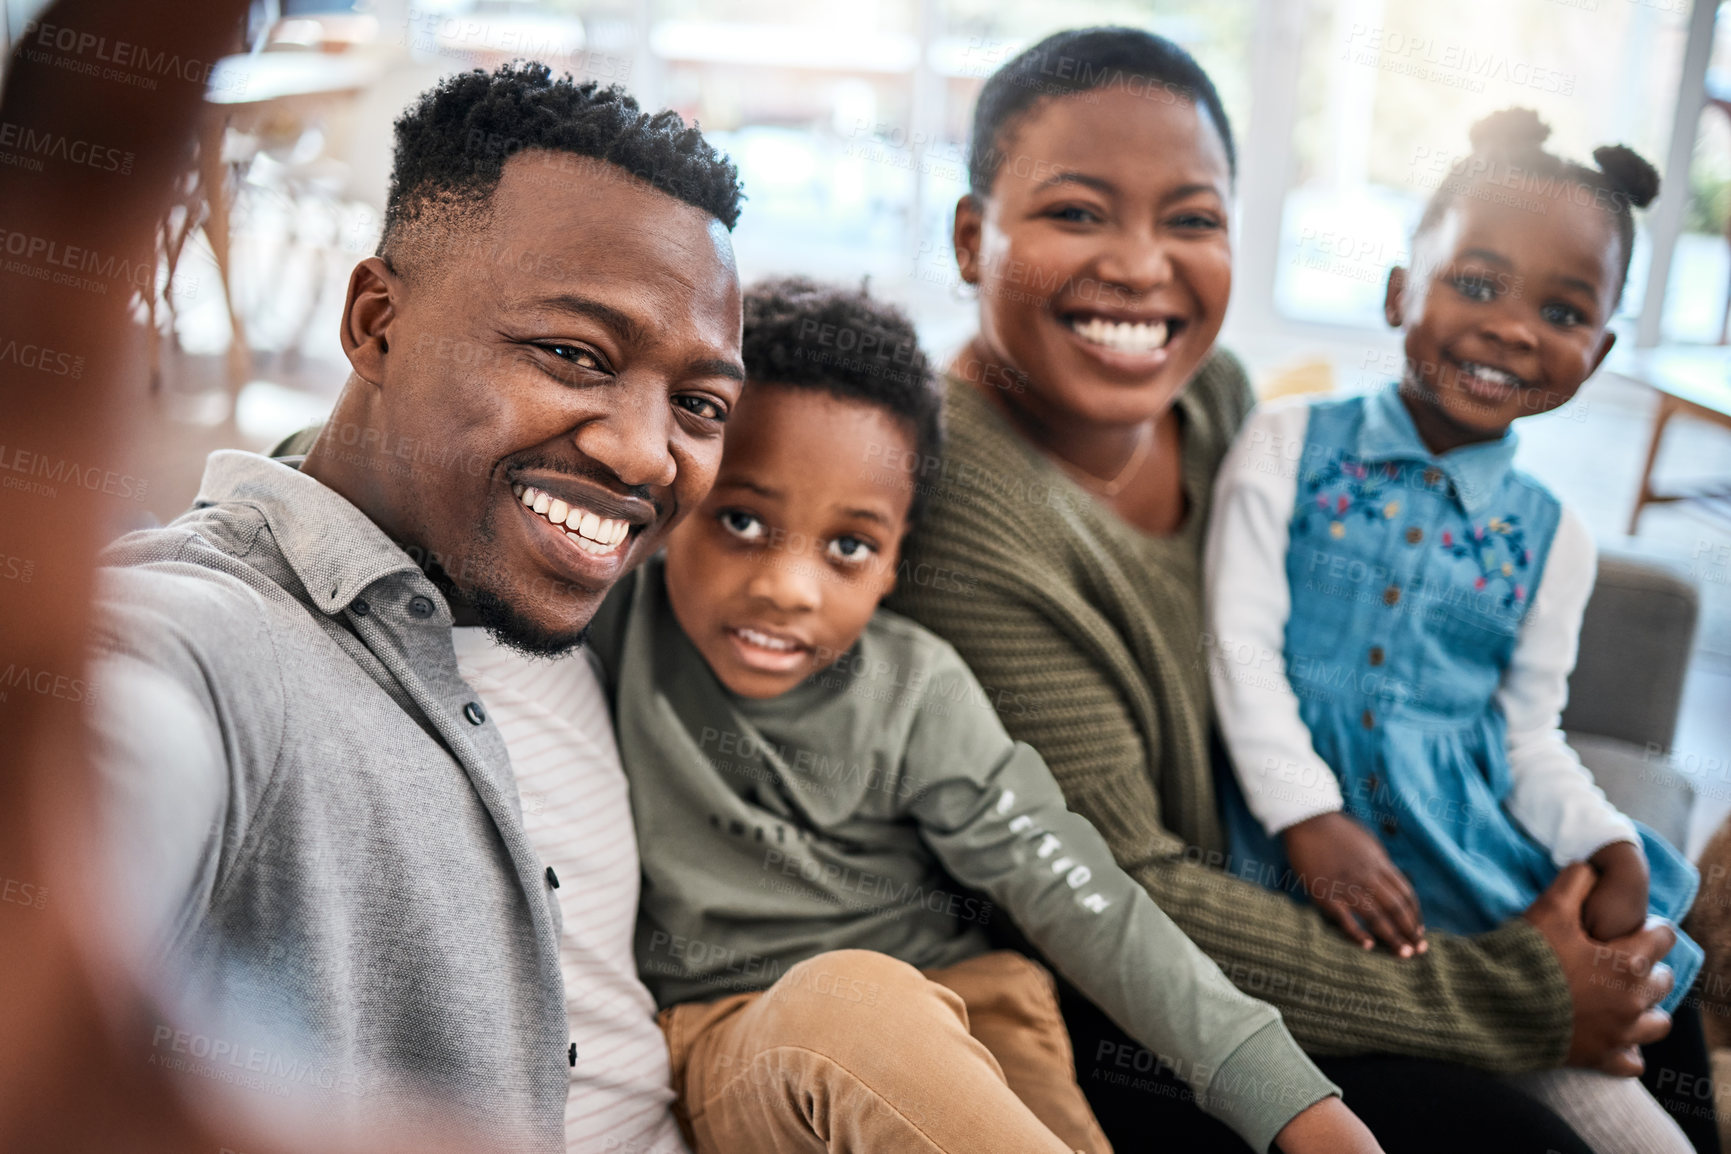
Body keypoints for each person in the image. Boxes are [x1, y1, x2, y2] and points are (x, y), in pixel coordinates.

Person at [884, 26, 1686, 1153]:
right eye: (1076, 211)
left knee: (1666, 1004)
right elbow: (1114, 887)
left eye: (1193, 218)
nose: (1140, 264)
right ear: (974, 238)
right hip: (1140, 1001)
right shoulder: (957, 511)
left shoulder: (1211, 400)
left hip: (1332, 906)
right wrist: (1517, 993)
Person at [88, 63, 747, 1152]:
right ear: (377, 326)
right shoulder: (219, 638)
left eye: (698, 404)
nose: (643, 450)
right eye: (573, 354)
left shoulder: (547, 587)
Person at [579, 276, 1381, 1154]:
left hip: (973, 1009)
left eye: (849, 547)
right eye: (740, 520)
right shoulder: (612, 614)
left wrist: (1294, 1103)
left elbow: (1084, 897)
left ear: (892, 566)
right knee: (849, 1002)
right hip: (745, 1034)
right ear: (680, 496)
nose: (786, 589)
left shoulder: (920, 689)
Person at [1206, 109, 1700, 1154]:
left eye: (1563, 309)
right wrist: (1310, 815)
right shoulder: (1288, 443)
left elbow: (1527, 736)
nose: (1516, 327)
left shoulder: (1556, 537)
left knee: (1644, 1122)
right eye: (1477, 284)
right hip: (1288, 847)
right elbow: (1239, 649)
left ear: (1600, 348)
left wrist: (1602, 836)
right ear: (1399, 291)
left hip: (1467, 867)